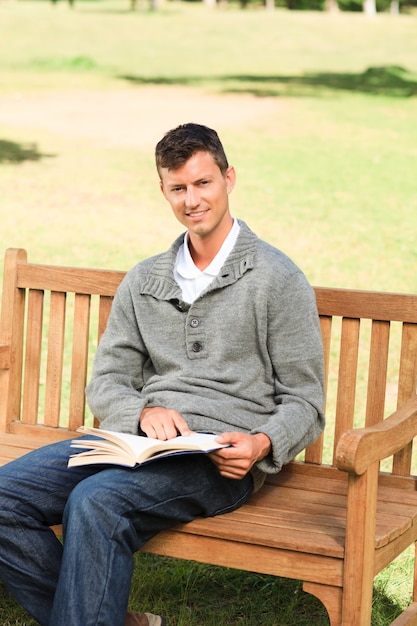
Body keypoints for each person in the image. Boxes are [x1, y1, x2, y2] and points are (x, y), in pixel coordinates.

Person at [0, 123, 325, 626]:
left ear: (228, 178)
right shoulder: (144, 279)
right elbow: (108, 377)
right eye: (179, 188)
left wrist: (261, 444)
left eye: (203, 183)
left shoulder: (277, 279)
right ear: (164, 191)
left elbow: (305, 399)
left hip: (220, 458)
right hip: (133, 442)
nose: (192, 200)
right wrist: (142, 411)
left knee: (95, 503)